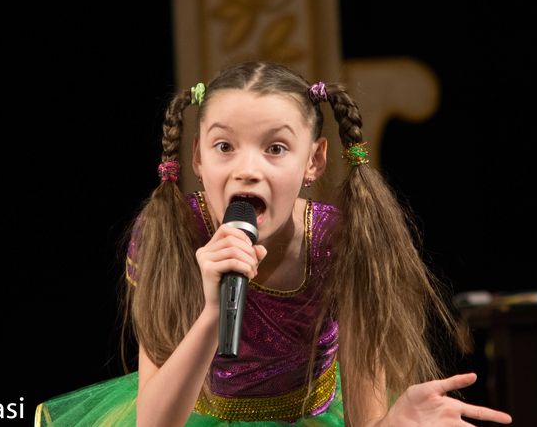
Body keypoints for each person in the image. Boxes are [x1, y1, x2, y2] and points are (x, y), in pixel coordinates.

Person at [35, 62, 512, 426]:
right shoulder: (168, 231)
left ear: (314, 161)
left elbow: (367, 419)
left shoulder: (340, 241)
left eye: (275, 148)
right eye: (224, 147)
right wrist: (213, 311)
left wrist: (393, 423)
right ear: (197, 157)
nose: (247, 170)